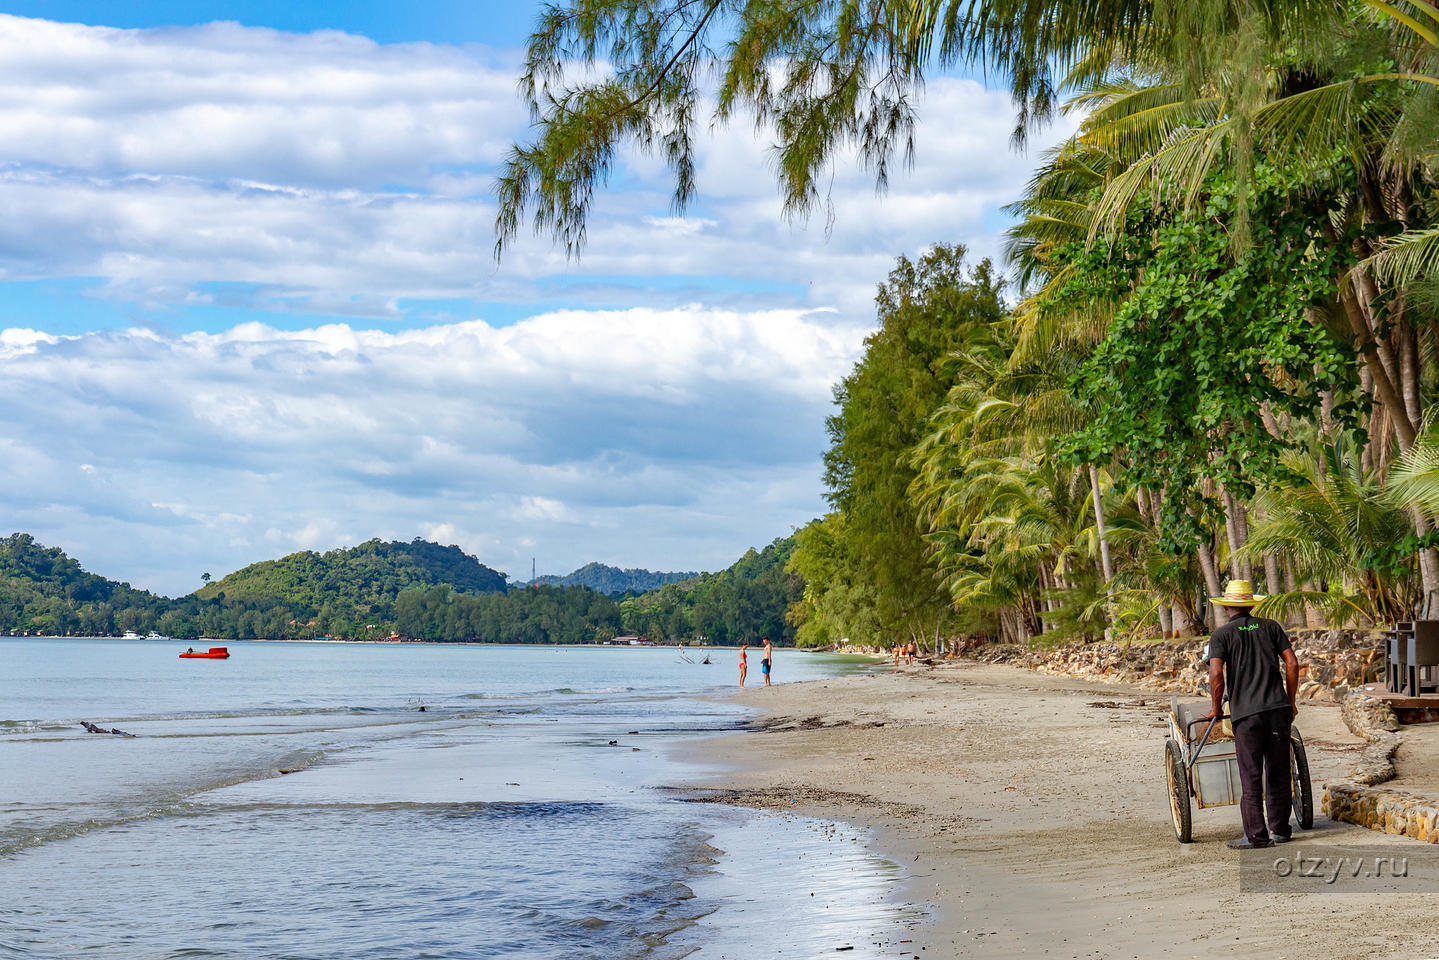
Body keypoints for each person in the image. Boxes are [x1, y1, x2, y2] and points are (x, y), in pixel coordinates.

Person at [1204, 579, 1300, 850]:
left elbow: (1215, 673)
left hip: (1247, 714)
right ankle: (1280, 829)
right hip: (1278, 709)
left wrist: (1214, 708)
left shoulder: (1221, 635)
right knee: (1279, 770)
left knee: (1250, 773)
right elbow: (1292, 664)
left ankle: (1256, 835)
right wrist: (1290, 702)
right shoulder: (1270, 627)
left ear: (1227, 608)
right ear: (1250, 605)